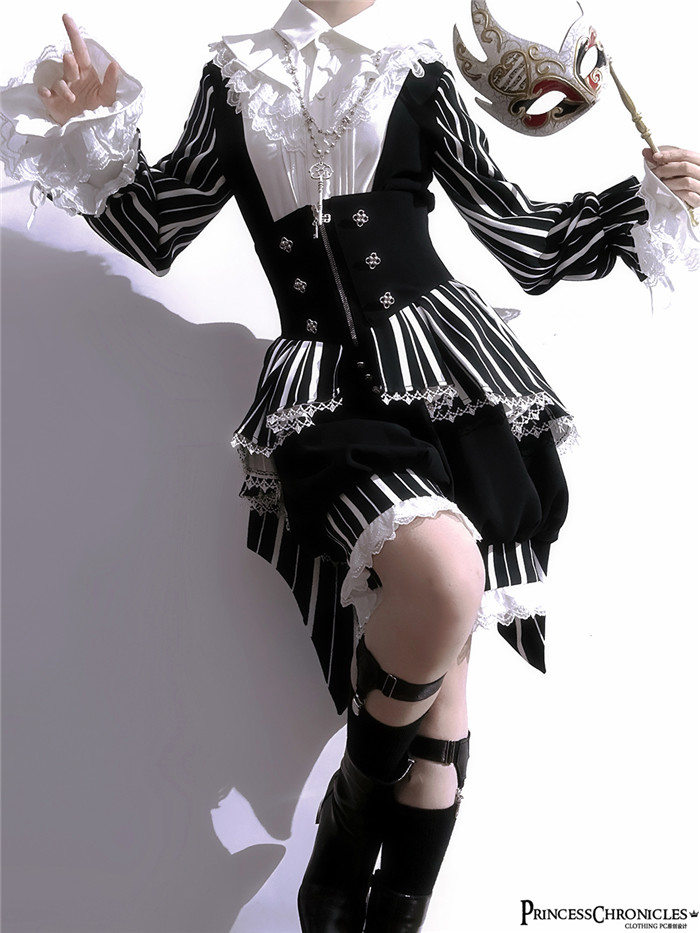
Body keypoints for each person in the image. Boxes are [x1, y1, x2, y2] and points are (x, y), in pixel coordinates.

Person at [2, 3, 698, 931]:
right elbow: (156, 229)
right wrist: (92, 126)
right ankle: (344, 827)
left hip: (448, 370)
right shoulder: (233, 78)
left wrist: (652, 200)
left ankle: (375, 898)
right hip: (325, 389)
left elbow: (522, 238)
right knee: (445, 582)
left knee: (441, 729)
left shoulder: (417, 72)